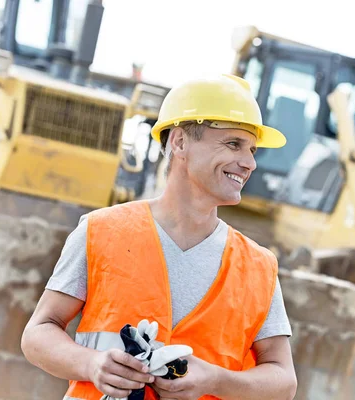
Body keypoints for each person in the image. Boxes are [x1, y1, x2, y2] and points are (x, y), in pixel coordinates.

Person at [21, 74, 297, 400]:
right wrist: (93, 364)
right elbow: (38, 332)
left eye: (251, 149)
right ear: (180, 142)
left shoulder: (258, 267)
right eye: (234, 144)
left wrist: (215, 381)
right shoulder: (101, 231)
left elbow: (283, 380)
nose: (249, 163)